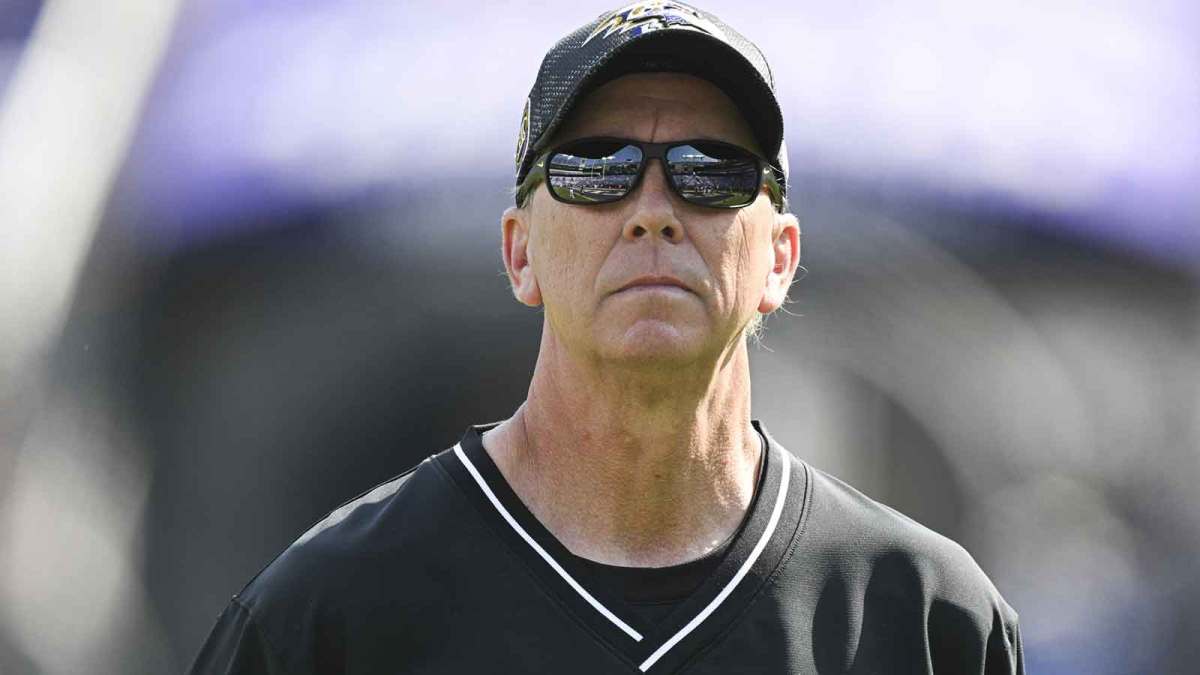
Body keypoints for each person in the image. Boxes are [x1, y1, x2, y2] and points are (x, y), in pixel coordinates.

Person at [191, 2, 1024, 673]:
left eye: (712, 170)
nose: (653, 210)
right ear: (520, 253)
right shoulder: (329, 613)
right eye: (596, 166)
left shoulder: (924, 616)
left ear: (780, 258)